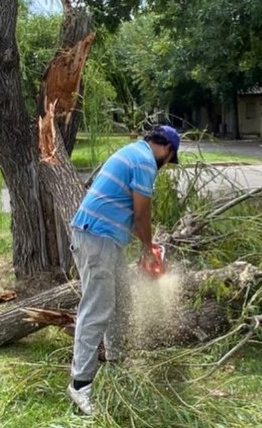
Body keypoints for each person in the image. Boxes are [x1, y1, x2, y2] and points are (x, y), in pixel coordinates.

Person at [67, 124, 180, 415]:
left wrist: (145, 247)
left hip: (104, 240)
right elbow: (141, 213)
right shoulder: (144, 162)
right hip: (97, 239)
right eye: (170, 159)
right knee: (96, 310)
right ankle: (80, 385)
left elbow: (128, 211)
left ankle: (117, 362)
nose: (167, 164)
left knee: (121, 303)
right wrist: (148, 249)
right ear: (167, 150)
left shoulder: (133, 152)